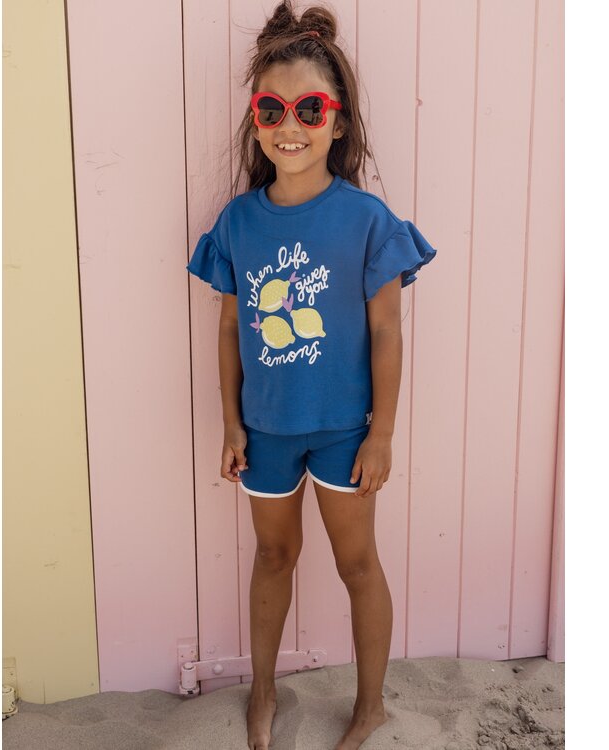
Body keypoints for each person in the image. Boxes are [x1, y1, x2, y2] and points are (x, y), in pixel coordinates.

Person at [185, 2, 437, 748]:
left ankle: (371, 706)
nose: (288, 125)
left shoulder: (367, 221)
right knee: (273, 556)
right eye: (271, 109)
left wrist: (381, 435)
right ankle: (263, 692)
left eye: (308, 109)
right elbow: (229, 327)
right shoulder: (238, 223)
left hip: (344, 432)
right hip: (266, 430)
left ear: (338, 122)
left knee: (357, 563)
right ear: (256, 120)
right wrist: (231, 422)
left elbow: (387, 331)